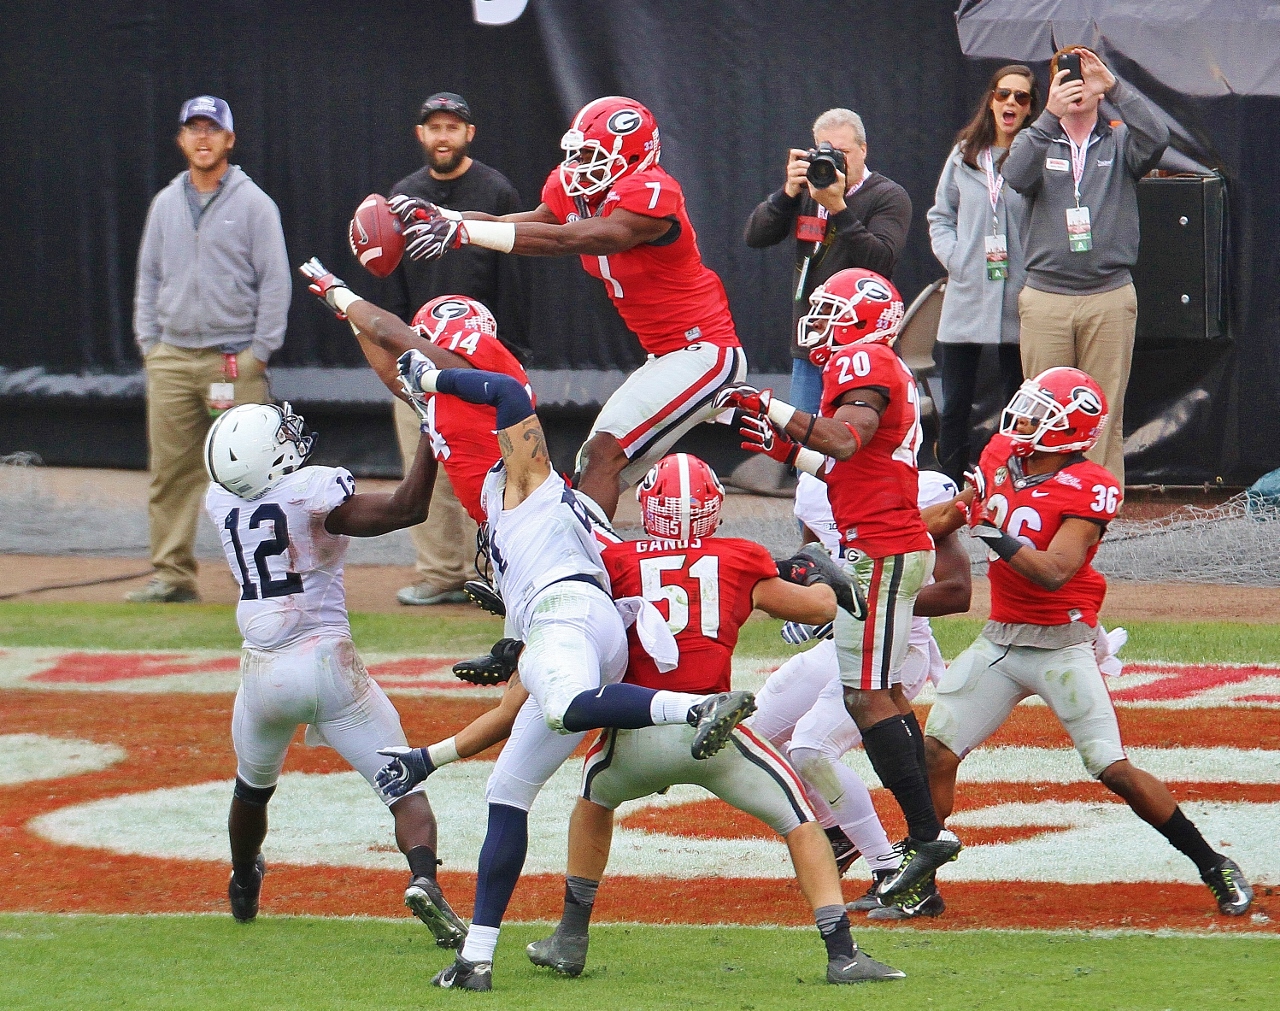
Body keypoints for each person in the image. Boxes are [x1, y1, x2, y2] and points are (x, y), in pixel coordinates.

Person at [375, 454, 902, 984]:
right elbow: (817, 610)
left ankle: (571, 935)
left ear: (648, 507)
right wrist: (821, 579)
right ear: (714, 508)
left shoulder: (616, 562)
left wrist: (518, 643)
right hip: (714, 729)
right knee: (801, 823)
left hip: (635, 732)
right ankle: (842, 953)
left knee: (593, 801)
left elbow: (578, 630)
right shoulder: (740, 556)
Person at [377, 355, 760, 992]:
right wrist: (429, 756)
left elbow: (501, 389)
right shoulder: (514, 510)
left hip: (573, 611)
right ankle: (475, 959)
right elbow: (509, 702)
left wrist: (428, 379)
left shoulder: (528, 479)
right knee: (507, 791)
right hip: (577, 622)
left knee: (564, 704)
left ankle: (692, 709)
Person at [924, 366, 1254, 919]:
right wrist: (892, 537)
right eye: (1026, 407)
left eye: (1040, 414)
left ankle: (1212, 862)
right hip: (1002, 639)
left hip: (1062, 643)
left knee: (1111, 768)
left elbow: (1054, 570)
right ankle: (920, 883)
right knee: (934, 753)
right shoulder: (1002, 452)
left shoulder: (1093, 485)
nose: (1022, 420)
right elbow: (960, 510)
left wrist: (990, 531)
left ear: (1069, 430)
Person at [716, 267, 960, 905]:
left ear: (862, 318)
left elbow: (846, 442)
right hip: (874, 545)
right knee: (873, 699)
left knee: (866, 700)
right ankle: (920, 847)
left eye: (831, 310)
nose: (818, 321)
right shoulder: (865, 364)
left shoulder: (865, 359)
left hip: (880, 550)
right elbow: (849, 463)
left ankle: (925, 841)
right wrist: (785, 447)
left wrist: (769, 405)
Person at [386, 96, 747, 520]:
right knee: (594, 463)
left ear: (634, 156)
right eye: (576, 153)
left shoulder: (652, 193)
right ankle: (584, 560)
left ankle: (579, 561)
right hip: (666, 355)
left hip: (705, 351)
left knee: (604, 456)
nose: (579, 166)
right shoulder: (572, 188)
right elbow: (522, 223)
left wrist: (462, 231)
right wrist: (448, 216)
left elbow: (572, 239)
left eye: (593, 155)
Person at [202, 400, 469, 946]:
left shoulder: (219, 499)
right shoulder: (312, 491)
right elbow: (407, 508)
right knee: (402, 785)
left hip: (264, 672)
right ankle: (424, 879)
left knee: (252, 790)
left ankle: (244, 876)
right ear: (270, 457)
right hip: (327, 663)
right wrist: (430, 436)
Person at [752, 469, 971, 920]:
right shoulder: (814, 484)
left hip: (897, 649)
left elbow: (956, 591)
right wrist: (808, 598)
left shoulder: (917, 486)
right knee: (751, 740)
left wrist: (862, 604)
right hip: (843, 644)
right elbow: (814, 558)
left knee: (811, 747)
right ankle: (838, 831)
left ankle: (895, 873)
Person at [129, 95, 290, 603]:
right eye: (193, 129)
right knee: (171, 473)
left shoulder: (254, 203)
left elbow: (275, 283)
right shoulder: (164, 203)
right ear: (181, 139)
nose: (203, 138)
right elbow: (148, 279)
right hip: (173, 358)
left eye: (212, 129)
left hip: (234, 358)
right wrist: (150, 345)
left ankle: (267, 577)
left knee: (255, 473)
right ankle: (172, 576)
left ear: (229, 139)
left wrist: (259, 353)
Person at [1002, 47, 1170, 487]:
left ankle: (1094, 510)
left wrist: (1115, 87)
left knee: (1103, 411)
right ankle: (1040, 503)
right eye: (1065, 78)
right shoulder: (1036, 138)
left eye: (1084, 78)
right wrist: (1046, 119)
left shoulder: (1118, 141)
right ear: (1052, 87)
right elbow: (1016, 177)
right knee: (1041, 410)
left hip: (1108, 295)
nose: (1076, 87)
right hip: (1046, 298)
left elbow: (1157, 139)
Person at [386, 92, 527, 607]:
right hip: (419, 351)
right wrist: (397, 344)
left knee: (489, 465)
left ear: (469, 133)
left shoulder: (494, 190)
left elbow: (514, 276)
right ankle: (441, 572)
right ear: (420, 134)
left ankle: (496, 574)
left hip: (481, 352)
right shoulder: (403, 195)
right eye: (434, 127)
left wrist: (510, 350)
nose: (443, 135)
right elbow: (391, 276)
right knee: (424, 458)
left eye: (453, 126)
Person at [744, 109, 912, 415]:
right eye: (827, 152)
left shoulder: (889, 196)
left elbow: (880, 263)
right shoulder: (808, 189)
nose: (836, 161)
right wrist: (786, 194)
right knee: (807, 446)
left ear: (864, 150)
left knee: (851, 440)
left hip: (862, 346)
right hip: (811, 341)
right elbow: (754, 236)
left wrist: (838, 208)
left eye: (844, 152)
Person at [927, 66, 1038, 484]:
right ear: (990, 100)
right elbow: (941, 215)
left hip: (1020, 295)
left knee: (1017, 399)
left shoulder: (1035, 152)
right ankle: (949, 485)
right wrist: (957, 259)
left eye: (1021, 98)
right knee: (956, 402)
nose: (1010, 103)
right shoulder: (964, 153)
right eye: (1003, 94)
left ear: (1030, 109)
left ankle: (1006, 482)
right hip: (969, 291)